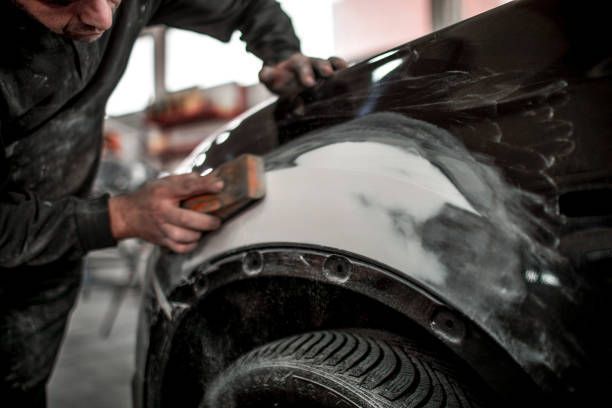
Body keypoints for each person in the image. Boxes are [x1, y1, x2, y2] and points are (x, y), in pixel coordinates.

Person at [0, 0, 347, 405]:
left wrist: (281, 51)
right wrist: (119, 215)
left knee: (21, 385)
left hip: (51, 258)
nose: (103, 19)